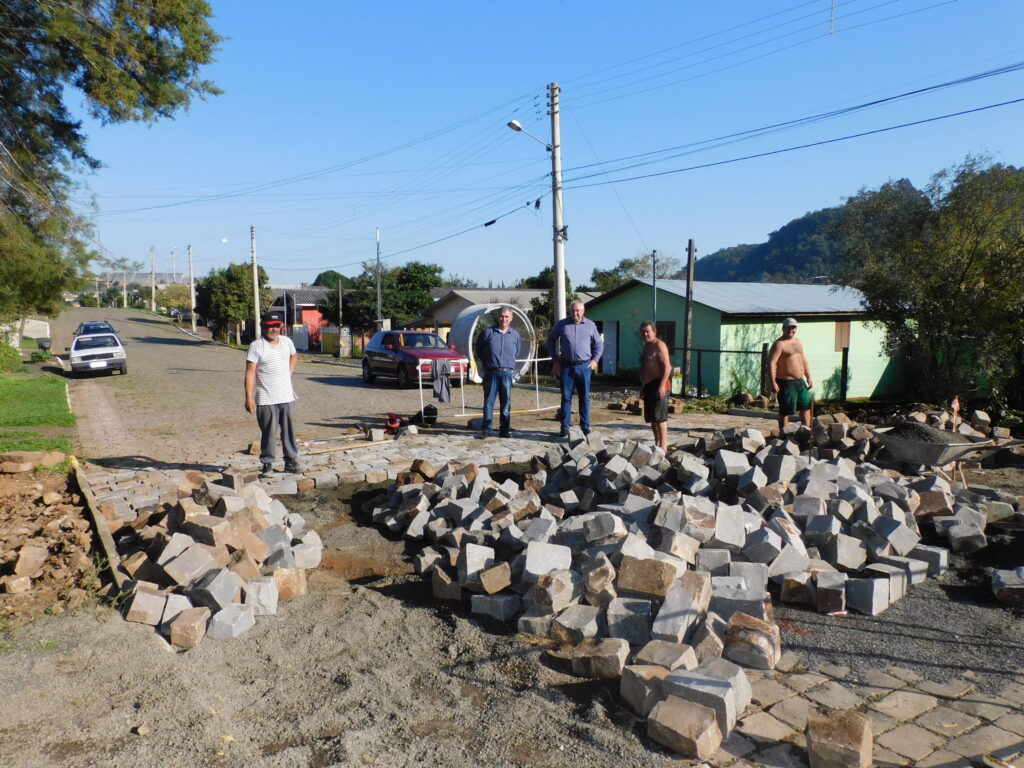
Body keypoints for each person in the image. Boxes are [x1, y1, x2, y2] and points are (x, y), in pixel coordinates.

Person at [244, 314, 302, 477]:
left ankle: (290, 461)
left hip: (286, 396)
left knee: (288, 431)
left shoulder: (287, 342)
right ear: (263, 327)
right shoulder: (257, 346)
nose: (274, 329)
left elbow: (294, 355)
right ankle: (267, 464)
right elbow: (250, 373)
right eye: (270, 326)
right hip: (266, 398)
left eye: (277, 325)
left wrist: (289, 371)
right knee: (269, 432)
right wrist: (249, 397)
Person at [547, 299, 603, 437]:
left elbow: (598, 345)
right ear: (569, 311)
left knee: (584, 398)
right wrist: (555, 361)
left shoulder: (590, 325)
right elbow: (551, 340)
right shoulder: (562, 324)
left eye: (578, 310)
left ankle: (585, 426)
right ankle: (565, 427)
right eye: (573, 310)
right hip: (566, 366)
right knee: (566, 398)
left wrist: (595, 360)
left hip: (584, 366)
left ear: (583, 311)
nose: (575, 313)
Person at [475, 306, 521, 438]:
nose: (504, 319)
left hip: (507, 373)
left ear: (511, 319)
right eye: (501, 316)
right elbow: (479, 350)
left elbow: (516, 352)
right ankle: (487, 429)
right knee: (489, 403)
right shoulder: (488, 333)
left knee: (506, 403)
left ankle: (504, 429)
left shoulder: (515, 335)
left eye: (507, 317)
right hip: (491, 373)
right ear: (498, 317)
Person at [768, 316, 814, 429]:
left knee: (806, 406)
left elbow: (803, 359)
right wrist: (772, 382)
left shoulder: (798, 342)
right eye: (789, 327)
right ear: (783, 328)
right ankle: (783, 434)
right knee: (785, 410)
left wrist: (808, 376)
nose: (791, 330)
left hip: (800, 381)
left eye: (793, 328)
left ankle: (806, 431)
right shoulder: (779, 344)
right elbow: (771, 363)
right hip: (786, 382)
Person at [639, 321, 671, 451]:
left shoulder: (660, 345)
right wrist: (643, 385)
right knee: (652, 417)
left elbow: (668, 367)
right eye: (643, 331)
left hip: (659, 384)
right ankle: (657, 443)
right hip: (648, 386)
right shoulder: (646, 346)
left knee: (660, 417)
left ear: (654, 331)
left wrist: (662, 385)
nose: (645, 334)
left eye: (648, 331)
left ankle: (664, 446)